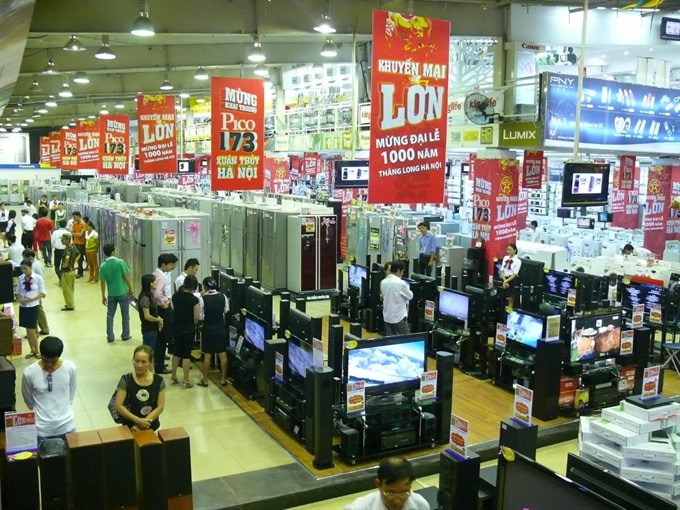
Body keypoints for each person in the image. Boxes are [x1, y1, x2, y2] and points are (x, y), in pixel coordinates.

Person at [21, 336, 77, 443]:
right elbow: (28, 399)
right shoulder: (29, 372)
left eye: (54, 361)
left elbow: (71, 394)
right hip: (41, 430)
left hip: (67, 426)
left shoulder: (70, 368)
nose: (49, 365)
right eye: (45, 361)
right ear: (41, 355)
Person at [344, 457, 429, 510]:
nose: (397, 502)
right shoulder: (358, 508)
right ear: (378, 484)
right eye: (390, 493)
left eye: (404, 492)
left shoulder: (420, 505)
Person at [114, 345, 166, 432]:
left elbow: (160, 407)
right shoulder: (126, 379)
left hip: (153, 428)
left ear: (150, 362)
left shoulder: (159, 380)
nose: (139, 365)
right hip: (130, 429)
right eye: (136, 361)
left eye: (143, 362)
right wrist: (138, 421)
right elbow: (119, 406)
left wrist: (143, 424)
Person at [99, 244, 133, 342]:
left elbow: (102, 282)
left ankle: (110, 336)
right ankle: (125, 335)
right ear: (113, 252)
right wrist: (130, 288)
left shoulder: (103, 266)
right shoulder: (120, 262)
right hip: (123, 292)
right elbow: (125, 277)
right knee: (125, 314)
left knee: (110, 315)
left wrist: (103, 296)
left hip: (111, 294)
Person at [199, 276, 229, 387]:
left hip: (208, 329)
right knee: (222, 354)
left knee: (207, 355)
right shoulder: (223, 297)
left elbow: (201, 316)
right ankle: (223, 379)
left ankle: (205, 380)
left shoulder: (203, 299)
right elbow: (226, 310)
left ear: (204, 287)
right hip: (220, 328)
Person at [171, 274, 200, 388]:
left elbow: (174, 309)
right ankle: (186, 380)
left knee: (176, 352)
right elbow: (196, 318)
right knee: (186, 355)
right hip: (188, 330)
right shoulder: (194, 300)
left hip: (176, 328)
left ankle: (173, 376)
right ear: (194, 286)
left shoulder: (175, 296)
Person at [153, 253, 179, 375]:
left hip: (158, 308)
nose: (171, 267)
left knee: (160, 338)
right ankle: (159, 366)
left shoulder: (157, 273)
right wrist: (164, 302)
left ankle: (159, 363)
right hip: (163, 309)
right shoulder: (162, 277)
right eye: (170, 265)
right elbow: (157, 294)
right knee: (162, 338)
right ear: (163, 265)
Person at [17, 259, 47, 358]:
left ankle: (37, 351)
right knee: (27, 330)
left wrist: (32, 299)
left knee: (32, 330)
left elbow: (43, 293)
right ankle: (32, 350)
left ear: (31, 267)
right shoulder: (21, 278)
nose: (24, 271)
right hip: (23, 306)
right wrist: (20, 299)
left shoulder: (38, 278)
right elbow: (18, 291)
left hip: (33, 306)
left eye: (25, 268)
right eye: (22, 269)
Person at [380, 260, 413, 336]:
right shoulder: (400, 283)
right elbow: (410, 296)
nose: (402, 274)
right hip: (398, 318)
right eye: (402, 271)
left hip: (387, 317)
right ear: (398, 270)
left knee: (390, 339)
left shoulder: (383, 282)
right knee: (406, 340)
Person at [23, 249, 49, 336]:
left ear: (30, 257)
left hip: (34, 292)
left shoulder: (33, 266)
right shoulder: (38, 263)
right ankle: (44, 328)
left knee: (33, 312)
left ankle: (34, 332)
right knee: (39, 311)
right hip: (37, 291)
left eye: (25, 258)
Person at [138, 274, 163, 349]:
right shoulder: (145, 297)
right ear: (150, 283)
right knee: (148, 350)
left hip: (153, 328)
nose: (156, 282)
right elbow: (147, 316)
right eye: (155, 281)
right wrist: (159, 320)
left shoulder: (150, 295)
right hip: (149, 329)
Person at [59, 232, 80, 311]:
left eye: (63, 239)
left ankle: (70, 305)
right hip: (72, 270)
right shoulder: (73, 246)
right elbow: (78, 254)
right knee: (71, 288)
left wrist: (66, 264)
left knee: (66, 289)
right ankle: (71, 303)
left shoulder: (67, 248)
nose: (61, 241)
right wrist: (73, 262)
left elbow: (67, 257)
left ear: (67, 240)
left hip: (66, 271)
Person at [500, 243, 522, 309]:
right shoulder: (505, 258)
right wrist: (504, 281)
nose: (508, 251)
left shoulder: (518, 261)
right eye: (507, 249)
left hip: (512, 279)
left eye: (510, 250)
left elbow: (515, 274)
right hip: (504, 278)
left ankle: (510, 311)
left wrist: (506, 281)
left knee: (510, 298)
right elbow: (502, 270)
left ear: (515, 250)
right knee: (502, 297)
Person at [69, 212, 87, 278]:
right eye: (73, 217)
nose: (73, 218)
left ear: (79, 216)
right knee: (75, 257)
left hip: (81, 244)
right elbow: (72, 232)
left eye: (74, 217)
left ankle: (80, 272)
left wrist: (74, 234)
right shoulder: (74, 224)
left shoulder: (83, 224)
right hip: (75, 243)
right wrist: (77, 234)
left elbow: (81, 234)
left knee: (80, 258)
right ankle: (78, 271)